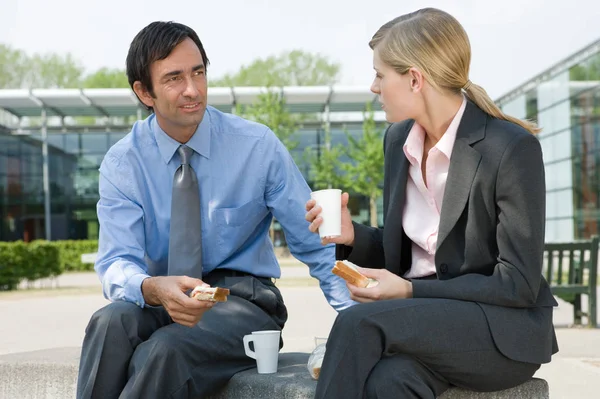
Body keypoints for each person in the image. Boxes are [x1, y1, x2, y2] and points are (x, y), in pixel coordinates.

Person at [76, 21, 353, 399]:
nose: (192, 90)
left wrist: (361, 320)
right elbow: (116, 262)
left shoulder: (257, 147)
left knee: (164, 350)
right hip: (162, 296)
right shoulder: (124, 163)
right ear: (144, 92)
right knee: (109, 322)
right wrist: (151, 287)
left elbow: (316, 244)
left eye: (199, 73)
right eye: (174, 78)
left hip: (243, 304)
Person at [305, 8, 558, 399]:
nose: (373, 87)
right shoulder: (398, 141)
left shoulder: (509, 148)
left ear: (414, 79)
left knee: (358, 324)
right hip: (429, 326)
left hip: (500, 331)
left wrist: (409, 293)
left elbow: (517, 284)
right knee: (390, 382)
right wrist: (354, 236)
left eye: (379, 74)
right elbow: (405, 256)